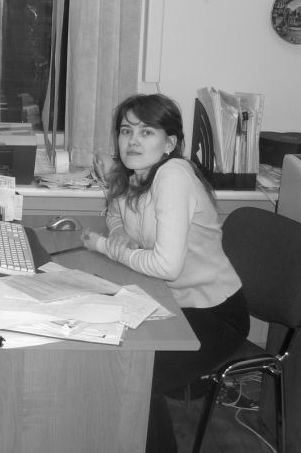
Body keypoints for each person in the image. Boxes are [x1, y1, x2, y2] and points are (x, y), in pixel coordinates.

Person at [81, 93, 249, 453]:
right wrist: (122, 237)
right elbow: (115, 214)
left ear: (169, 143)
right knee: (107, 350)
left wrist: (107, 247)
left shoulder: (173, 176)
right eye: (126, 131)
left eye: (146, 132)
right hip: (169, 302)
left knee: (137, 376)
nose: (133, 140)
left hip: (214, 314)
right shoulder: (136, 174)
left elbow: (166, 267)